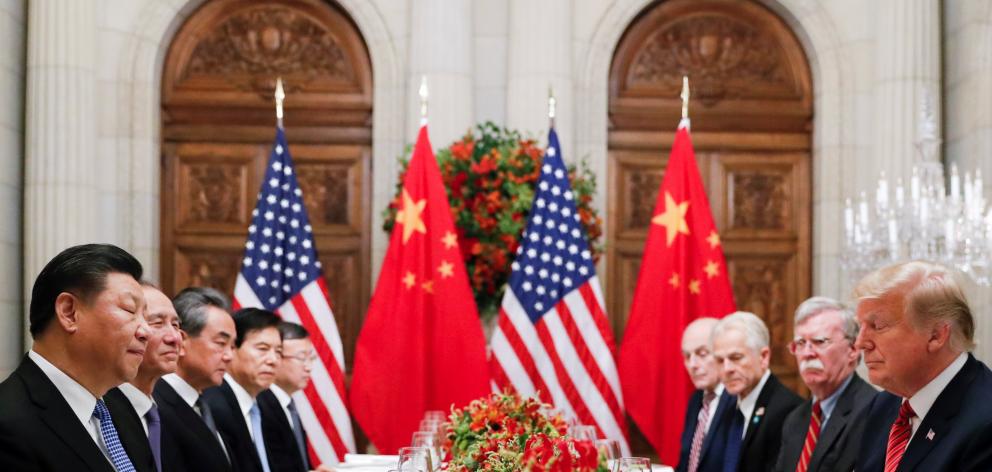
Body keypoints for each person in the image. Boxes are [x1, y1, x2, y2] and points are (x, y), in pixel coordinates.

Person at [0, 243, 150, 471]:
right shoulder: (9, 422)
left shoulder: (120, 407)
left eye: (146, 317)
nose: (145, 331)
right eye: (130, 310)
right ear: (69, 312)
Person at [854, 261, 992, 471]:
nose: (860, 342)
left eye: (878, 326)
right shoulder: (884, 405)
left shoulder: (985, 423)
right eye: (859, 327)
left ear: (936, 335)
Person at [774, 297, 876, 472]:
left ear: (853, 349)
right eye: (800, 343)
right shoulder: (795, 419)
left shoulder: (873, 413)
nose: (807, 353)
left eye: (819, 342)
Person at [153, 287, 234, 472]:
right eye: (221, 343)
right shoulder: (155, 406)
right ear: (181, 341)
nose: (229, 355)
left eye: (232, 346)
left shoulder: (208, 405)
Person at [105, 281, 184, 472]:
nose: (174, 337)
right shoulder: (102, 414)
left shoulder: (169, 413)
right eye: (157, 323)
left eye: (175, 324)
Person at [712, 311, 801, 472]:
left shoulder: (788, 411)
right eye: (719, 360)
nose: (726, 369)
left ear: (764, 357)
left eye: (736, 357)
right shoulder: (727, 404)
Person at [203, 308, 283, 472]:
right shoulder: (212, 404)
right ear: (232, 349)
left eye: (279, 352)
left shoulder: (267, 403)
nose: (273, 360)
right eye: (262, 348)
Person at [675, 317, 735, 472]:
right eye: (687, 356)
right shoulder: (696, 399)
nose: (693, 365)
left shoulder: (738, 400)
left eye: (702, 354)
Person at [258, 322, 315, 472]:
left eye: (311, 358)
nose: (308, 367)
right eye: (301, 358)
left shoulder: (288, 404)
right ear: (277, 357)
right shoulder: (260, 405)